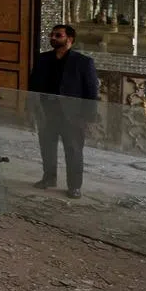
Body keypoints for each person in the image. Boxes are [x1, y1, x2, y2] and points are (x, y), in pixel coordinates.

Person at [28, 24, 100, 199]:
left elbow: (91, 92)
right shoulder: (43, 59)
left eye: (58, 35)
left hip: (72, 116)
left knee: (73, 151)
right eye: (52, 35)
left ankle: (74, 186)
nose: (53, 38)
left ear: (70, 39)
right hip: (47, 112)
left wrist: (88, 118)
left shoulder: (83, 62)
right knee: (47, 148)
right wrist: (32, 109)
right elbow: (33, 86)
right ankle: (48, 178)